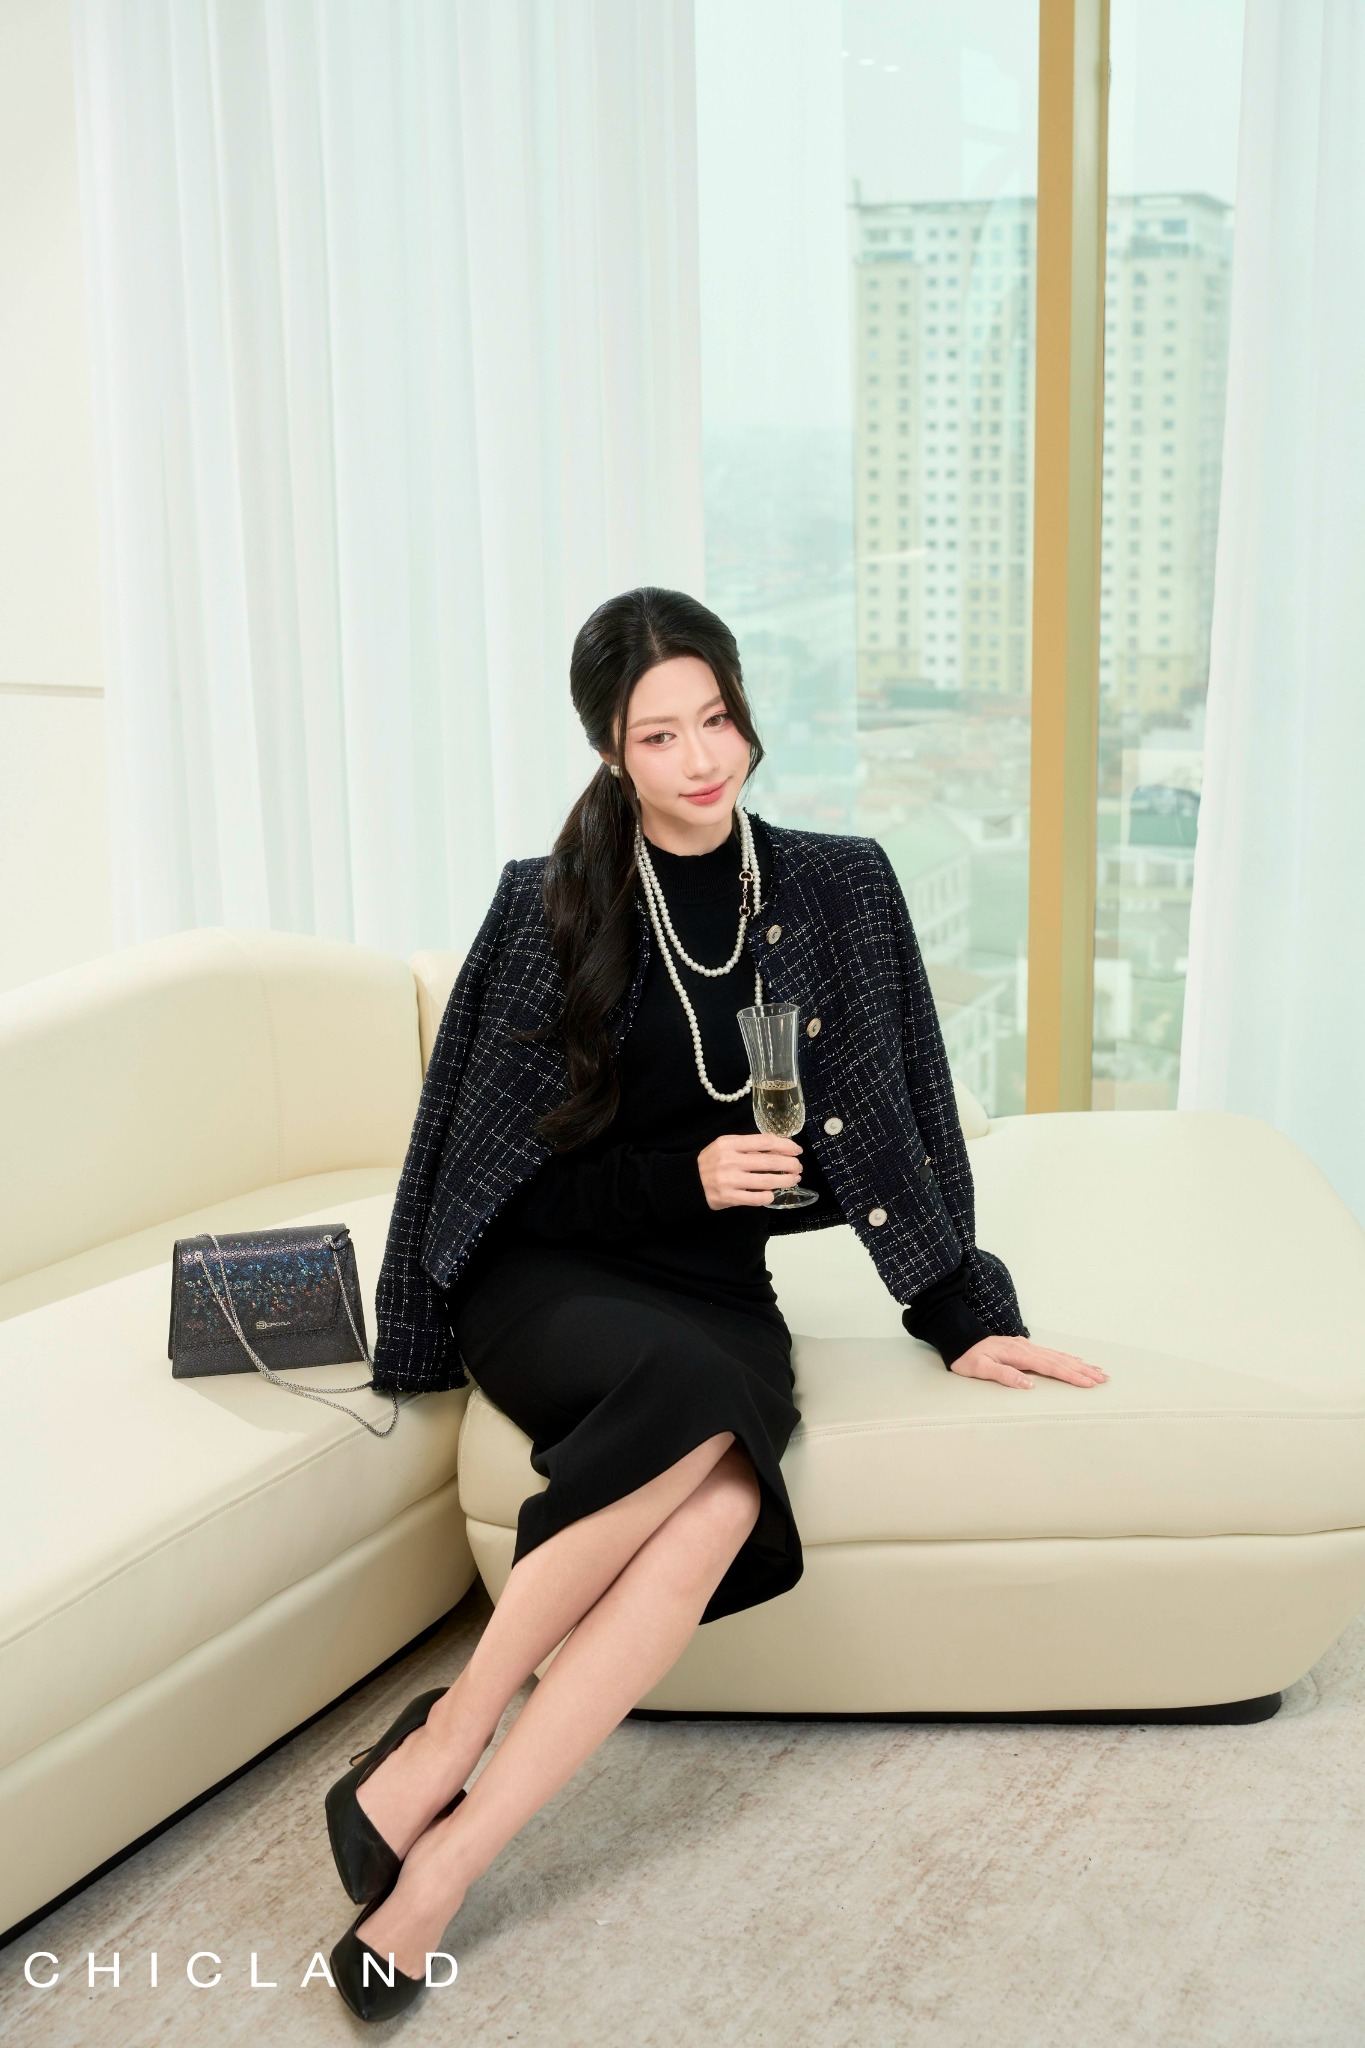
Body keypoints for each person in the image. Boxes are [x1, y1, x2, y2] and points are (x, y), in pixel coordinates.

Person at [324, 587, 1107, 2018]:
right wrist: (679, 1178)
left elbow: (909, 1109)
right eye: (658, 736)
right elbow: (494, 1187)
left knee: (725, 1500)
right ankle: (449, 1737)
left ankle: (446, 1867)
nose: (700, 760)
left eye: (717, 720)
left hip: (712, 1290)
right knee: (700, 1408)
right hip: (549, 1279)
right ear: (609, 752)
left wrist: (962, 1309)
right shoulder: (551, 904)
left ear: (745, 713)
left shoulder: (839, 887)